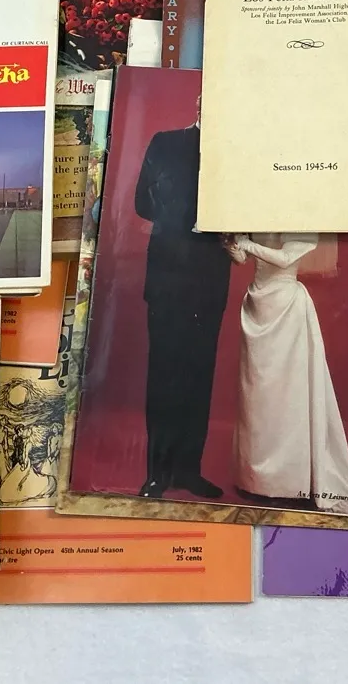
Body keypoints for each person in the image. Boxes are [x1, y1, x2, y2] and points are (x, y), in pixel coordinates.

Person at [228, 233, 348, 515]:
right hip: (257, 305)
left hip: (287, 308)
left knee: (289, 393)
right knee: (258, 396)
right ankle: (257, 479)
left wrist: (247, 244)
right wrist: (233, 244)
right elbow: (241, 259)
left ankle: (288, 482)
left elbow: (285, 258)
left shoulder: (303, 221)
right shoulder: (256, 218)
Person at [133, 102, 232, 499]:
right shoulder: (166, 142)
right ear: (199, 105)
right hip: (168, 277)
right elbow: (141, 203)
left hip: (210, 280)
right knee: (164, 377)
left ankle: (189, 471)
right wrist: (185, 220)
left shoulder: (236, 151)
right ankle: (157, 474)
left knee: (199, 376)